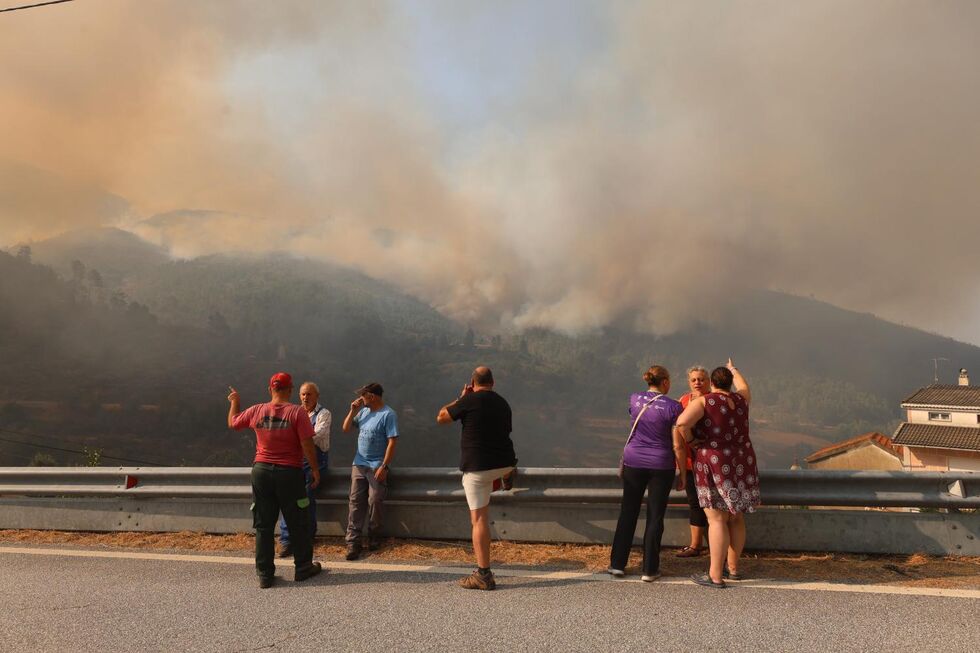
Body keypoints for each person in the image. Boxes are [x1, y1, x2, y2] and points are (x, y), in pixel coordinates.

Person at [227, 372, 323, 588]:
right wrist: (315, 470)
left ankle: (265, 574)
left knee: (263, 524)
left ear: (270, 389)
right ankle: (303, 567)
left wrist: (235, 402)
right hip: (289, 473)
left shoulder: (256, 410)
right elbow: (307, 444)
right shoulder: (297, 412)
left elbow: (233, 423)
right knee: (298, 521)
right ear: (290, 390)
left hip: (261, 471)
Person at [676, 359, 760, 589]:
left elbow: (682, 423)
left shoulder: (705, 401)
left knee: (716, 519)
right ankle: (733, 568)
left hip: (714, 460)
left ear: (711, 383)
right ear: (731, 382)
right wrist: (734, 369)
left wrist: (693, 441)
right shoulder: (741, 400)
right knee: (737, 516)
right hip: (742, 460)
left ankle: (714, 574)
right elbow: (744, 386)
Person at [436, 366, 517, 591]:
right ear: (493, 382)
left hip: (478, 467)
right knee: (502, 468)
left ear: (472, 383)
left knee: (479, 519)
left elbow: (441, 417)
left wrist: (460, 398)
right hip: (504, 461)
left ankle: (483, 574)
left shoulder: (468, 401)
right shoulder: (503, 403)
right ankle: (508, 474)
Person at [607, 365, 686, 582]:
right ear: (666, 382)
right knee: (655, 516)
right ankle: (649, 570)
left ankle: (617, 565)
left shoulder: (634, 398)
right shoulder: (674, 407)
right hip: (662, 464)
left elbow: (634, 418)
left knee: (628, 512)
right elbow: (678, 445)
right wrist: (682, 473)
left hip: (634, 461)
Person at [341, 382, 398, 561]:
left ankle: (374, 535)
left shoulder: (388, 414)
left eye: (363, 395)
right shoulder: (364, 412)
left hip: (376, 466)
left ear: (372, 396)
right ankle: (353, 541)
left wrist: (384, 466)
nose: (361, 398)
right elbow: (346, 428)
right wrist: (352, 410)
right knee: (355, 501)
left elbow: (392, 442)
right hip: (359, 463)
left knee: (375, 500)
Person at [277, 381, 331, 559]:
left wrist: (296, 435)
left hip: (316, 462)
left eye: (309, 394)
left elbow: (316, 435)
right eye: (303, 394)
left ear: (317, 396)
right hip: (296, 460)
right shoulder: (294, 412)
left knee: (306, 496)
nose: (305, 397)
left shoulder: (324, 414)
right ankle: (286, 540)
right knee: (287, 497)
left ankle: (307, 536)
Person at [675, 366, 709, 558]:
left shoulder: (714, 400)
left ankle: (717, 546)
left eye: (702, 379)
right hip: (689, 462)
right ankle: (695, 546)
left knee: (714, 506)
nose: (698, 382)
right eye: (694, 379)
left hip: (710, 461)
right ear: (689, 382)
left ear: (709, 381)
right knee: (694, 503)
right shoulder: (683, 401)